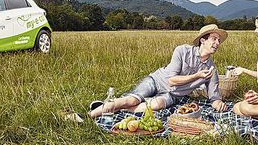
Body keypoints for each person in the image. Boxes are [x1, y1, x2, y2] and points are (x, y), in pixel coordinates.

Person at [88, 24, 230, 118]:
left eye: (219, 41)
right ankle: (88, 116)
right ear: (203, 40)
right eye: (214, 39)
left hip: (173, 95)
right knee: (131, 99)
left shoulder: (211, 70)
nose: (217, 43)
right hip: (156, 81)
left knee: (156, 105)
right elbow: (171, 80)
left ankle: (114, 108)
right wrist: (197, 75)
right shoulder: (182, 50)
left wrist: (219, 104)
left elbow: (214, 97)